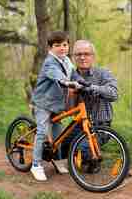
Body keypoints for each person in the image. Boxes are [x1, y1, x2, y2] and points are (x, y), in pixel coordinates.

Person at [30, 31, 82, 181]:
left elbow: (73, 74)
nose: (62, 48)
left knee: (58, 134)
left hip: (57, 104)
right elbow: (56, 75)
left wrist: (81, 82)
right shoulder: (49, 62)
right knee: (42, 131)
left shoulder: (66, 60)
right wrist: (66, 82)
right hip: (43, 103)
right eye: (57, 45)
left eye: (65, 45)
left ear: (68, 46)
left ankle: (58, 160)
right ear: (50, 48)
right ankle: (36, 165)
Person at [61, 40, 118, 171]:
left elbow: (114, 94)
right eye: (78, 54)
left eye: (86, 54)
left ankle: (92, 161)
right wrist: (70, 95)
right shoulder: (70, 77)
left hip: (100, 125)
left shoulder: (103, 73)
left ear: (93, 56)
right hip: (79, 124)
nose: (82, 57)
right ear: (73, 57)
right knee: (58, 148)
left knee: (82, 149)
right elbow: (68, 109)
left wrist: (89, 87)